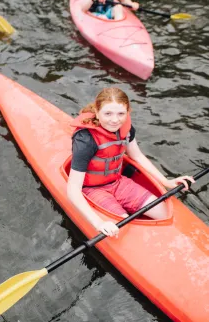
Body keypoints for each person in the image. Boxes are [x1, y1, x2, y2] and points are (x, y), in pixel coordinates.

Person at [67, 88, 194, 237]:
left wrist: (166, 181)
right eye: (108, 113)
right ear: (97, 111)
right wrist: (99, 223)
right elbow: (73, 190)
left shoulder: (125, 129)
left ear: (128, 112)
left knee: (163, 212)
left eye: (121, 114)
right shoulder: (85, 140)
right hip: (92, 189)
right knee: (124, 228)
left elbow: (137, 156)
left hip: (117, 182)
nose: (115, 120)